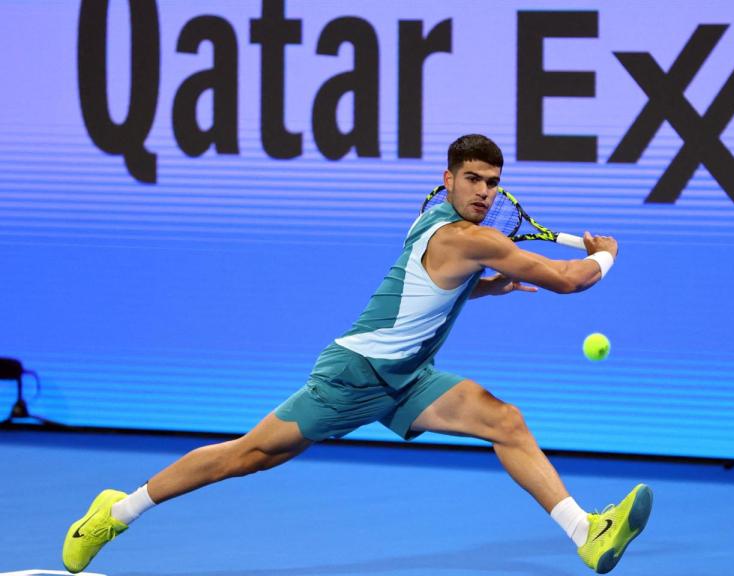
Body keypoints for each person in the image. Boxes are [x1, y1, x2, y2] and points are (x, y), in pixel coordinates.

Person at [62, 134, 653, 575]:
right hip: (353, 374)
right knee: (248, 457)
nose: (484, 192)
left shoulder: (441, 225)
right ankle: (118, 510)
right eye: (473, 178)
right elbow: (569, 280)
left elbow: (444, 284)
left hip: (408, 377)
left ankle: (587, 533)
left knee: (504, 419)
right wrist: (606, 255)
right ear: (447, 179)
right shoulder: (468, 237)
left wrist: (491, 284)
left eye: (493, 182)